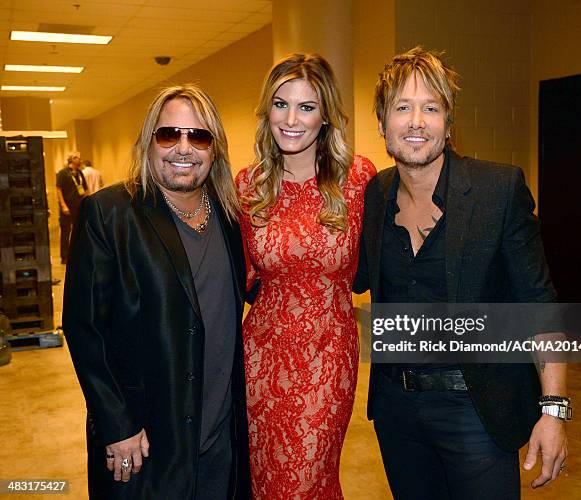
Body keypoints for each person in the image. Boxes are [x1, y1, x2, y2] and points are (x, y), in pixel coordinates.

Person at [354, 46, 569, 499]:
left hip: (477, 409)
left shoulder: (498, 189)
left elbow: (540, 306)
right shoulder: (375, 196)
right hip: (397, 411)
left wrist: (554, 410)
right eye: (402, 108)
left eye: (431, 108)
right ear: (381, 123)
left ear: (449, 125)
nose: (416, 122)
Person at [63, 85, 251, 500]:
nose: (183, 148)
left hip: (219, 436)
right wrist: (116, 424)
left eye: (198, 136)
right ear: (149, 141)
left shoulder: (229, 216)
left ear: (214, 149)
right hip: (144, 442)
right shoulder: (109, 214)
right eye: (169, 134)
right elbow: (83, 329)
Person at [235, 53, 376, 498]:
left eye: (307, 107)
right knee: (262, 479)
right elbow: (239, 276)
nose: (291, 119)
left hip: (327, 356)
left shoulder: (358, 179)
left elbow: (370, 267)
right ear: (267, 111)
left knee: (306, 479)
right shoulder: (248, 185)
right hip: (259, 356)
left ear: (326, 116)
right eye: (281, 104)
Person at [56, 151, 88, 264]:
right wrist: (63, 205)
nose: (79, 159)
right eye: (76, 157)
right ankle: (64, 256)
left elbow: (84, 189)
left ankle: (78, 253)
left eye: (79, 157)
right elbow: (58, 190)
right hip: (67, 207)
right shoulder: (63, 173)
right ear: (71, 159)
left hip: (78, 206)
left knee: (79, 231)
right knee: (66, 232)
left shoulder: (79, 173)